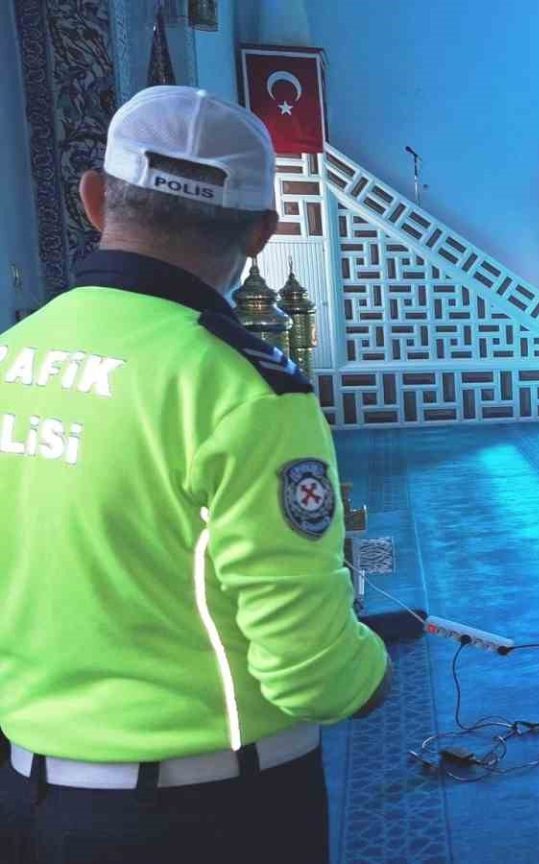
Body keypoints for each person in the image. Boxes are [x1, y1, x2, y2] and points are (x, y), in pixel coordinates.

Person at [0, 86, 390, 864]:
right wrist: (370, 671)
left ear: (93, 199)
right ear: (262, 232)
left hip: (28, 802)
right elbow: (312, 674)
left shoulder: (14, 356)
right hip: (206, 813)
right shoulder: (243, 391)